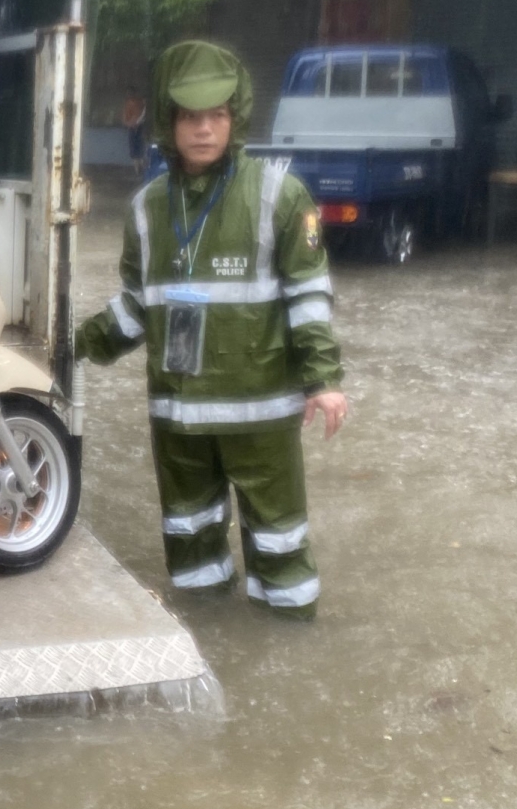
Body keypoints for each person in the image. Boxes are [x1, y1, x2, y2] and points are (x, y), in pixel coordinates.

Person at [74, 41, 347, 620]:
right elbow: (136, 307)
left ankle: (284, 645)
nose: (204, 129)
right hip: (179, 421)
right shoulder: (147, 208)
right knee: (190, 548)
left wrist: (324, 380)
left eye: (217, 115)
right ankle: (210, 638)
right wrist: (73, 347)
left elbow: (309, 297)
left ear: (235, 117)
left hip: (261, 416)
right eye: (190, 116)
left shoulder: (277, 193)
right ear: (168, 123)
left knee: (280, 548)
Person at [121, 89, 148, 180]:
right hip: (134, 128)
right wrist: (130, 124)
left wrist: (132, 123)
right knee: (136, 151)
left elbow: (128, 118)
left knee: (138, 150)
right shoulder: (135, 104)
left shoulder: (139, 103)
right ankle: (138, 171)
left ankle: (140, 170)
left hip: (137, 127)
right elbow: (126, 118)